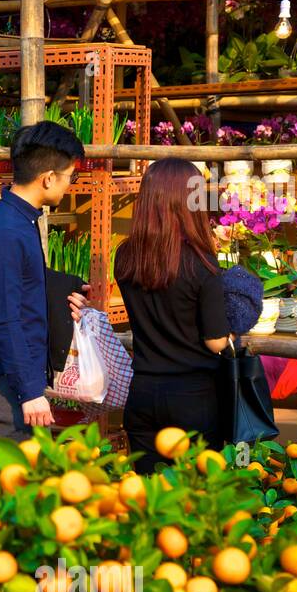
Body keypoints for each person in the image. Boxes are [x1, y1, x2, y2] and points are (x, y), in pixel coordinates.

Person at [111, 158, 230, 472]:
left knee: (150, 500)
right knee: (198, 498)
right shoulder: (201, 263)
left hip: (143, 393)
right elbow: (216, 342)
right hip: (193, 396)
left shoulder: (126, 257)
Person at [0, 121, 85, 439]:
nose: (69, 186)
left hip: (11, 384)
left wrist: (67, 288)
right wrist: (30, 392)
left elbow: (22, 285)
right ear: (48, 178)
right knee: (20, 487)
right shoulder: (8, 230)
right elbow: (5, 317)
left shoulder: (19, 219)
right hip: (6, 388)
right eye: (70, 177)